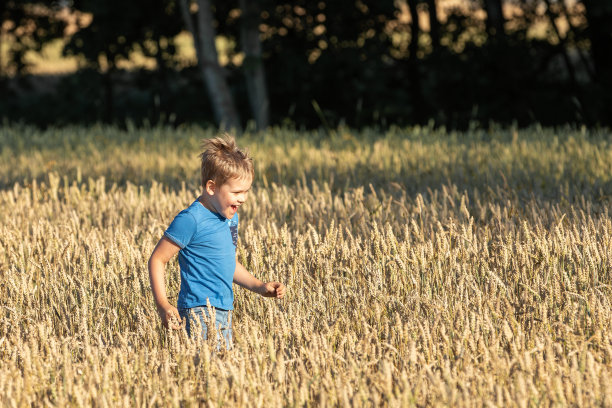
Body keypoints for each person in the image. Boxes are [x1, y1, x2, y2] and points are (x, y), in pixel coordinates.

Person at [148, 134, 285, 348]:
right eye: (237, 192)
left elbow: (227, 263)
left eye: (246, 192)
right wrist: (162, 304)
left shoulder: (231, 219)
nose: (243, 198)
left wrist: (259, 287)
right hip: (197, 310)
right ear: (211, 187)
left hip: (225, 309)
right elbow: (157, 259)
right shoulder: (191, 219)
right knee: (206, 371)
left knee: (221, 372)